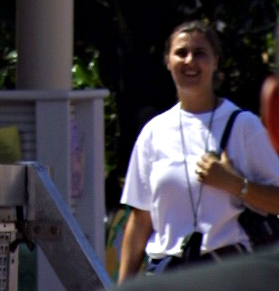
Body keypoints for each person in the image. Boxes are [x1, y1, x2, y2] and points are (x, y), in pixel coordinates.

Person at [119, 19, 279, 275]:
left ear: (216, 61)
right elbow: (140, 221)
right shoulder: (153, 132)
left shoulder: (244, 126)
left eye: (200, 53)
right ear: (168, 61)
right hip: (167, 275)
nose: (190, 61)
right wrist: (124, 285)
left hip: (226, 273)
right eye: (181, 53)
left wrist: (235, 184)